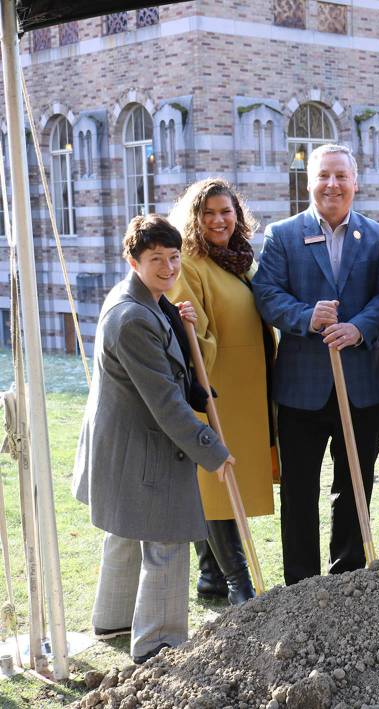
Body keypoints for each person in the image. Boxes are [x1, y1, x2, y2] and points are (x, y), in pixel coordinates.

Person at [72, 215, 232, 664]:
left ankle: (113, 619)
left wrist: (192, 372)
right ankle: (159, 644)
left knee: (125, 532)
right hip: (140, 448)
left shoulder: (146, 301)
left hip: (119, 445)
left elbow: (167, 369)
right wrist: (212, 451)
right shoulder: (132, 318)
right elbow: (164, 402)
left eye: (174, 257)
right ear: (133, 260)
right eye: (156, 259)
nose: (168, 267)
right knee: (164, 537)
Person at [252, 144, 379, 584]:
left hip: (364, 382)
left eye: (341, 176)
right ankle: (301, 585)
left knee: (355, 484)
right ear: (309, 182)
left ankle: (347, 576)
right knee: (299, 490)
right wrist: (305, 317)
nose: (332, 185)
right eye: (323, 176)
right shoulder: (283, 235)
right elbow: (266, 294)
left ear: (356, 183)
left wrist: (358, 328)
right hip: (302, 387)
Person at [167, 178, 275, 605]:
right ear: (194, 218)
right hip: (214, 387)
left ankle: (210, 576)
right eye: (208, 213)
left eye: (225, 211)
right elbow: (190, 333)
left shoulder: (239, 259)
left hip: (247, 388)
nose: (218, 220)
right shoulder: (189, 263)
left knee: (227, 478)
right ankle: (237, 583)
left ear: (238, 214)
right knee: (216, 480)